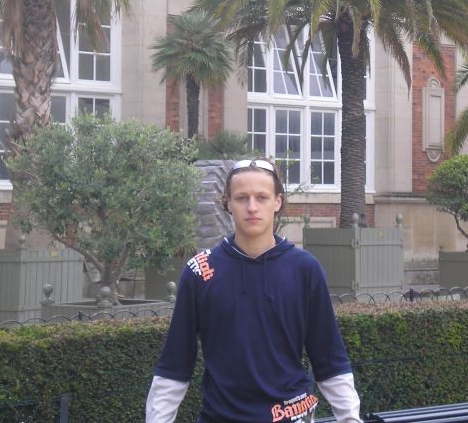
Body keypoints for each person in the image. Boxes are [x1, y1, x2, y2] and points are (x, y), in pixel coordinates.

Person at [146, 158, 362, 423]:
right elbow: (174, 365)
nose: (252, 207)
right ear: (227, 203)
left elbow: (330, 360)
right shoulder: (200, 271)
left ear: (278, 202)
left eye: (262, 197)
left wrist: (350, 419)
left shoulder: (305, 269)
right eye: (241, 198)